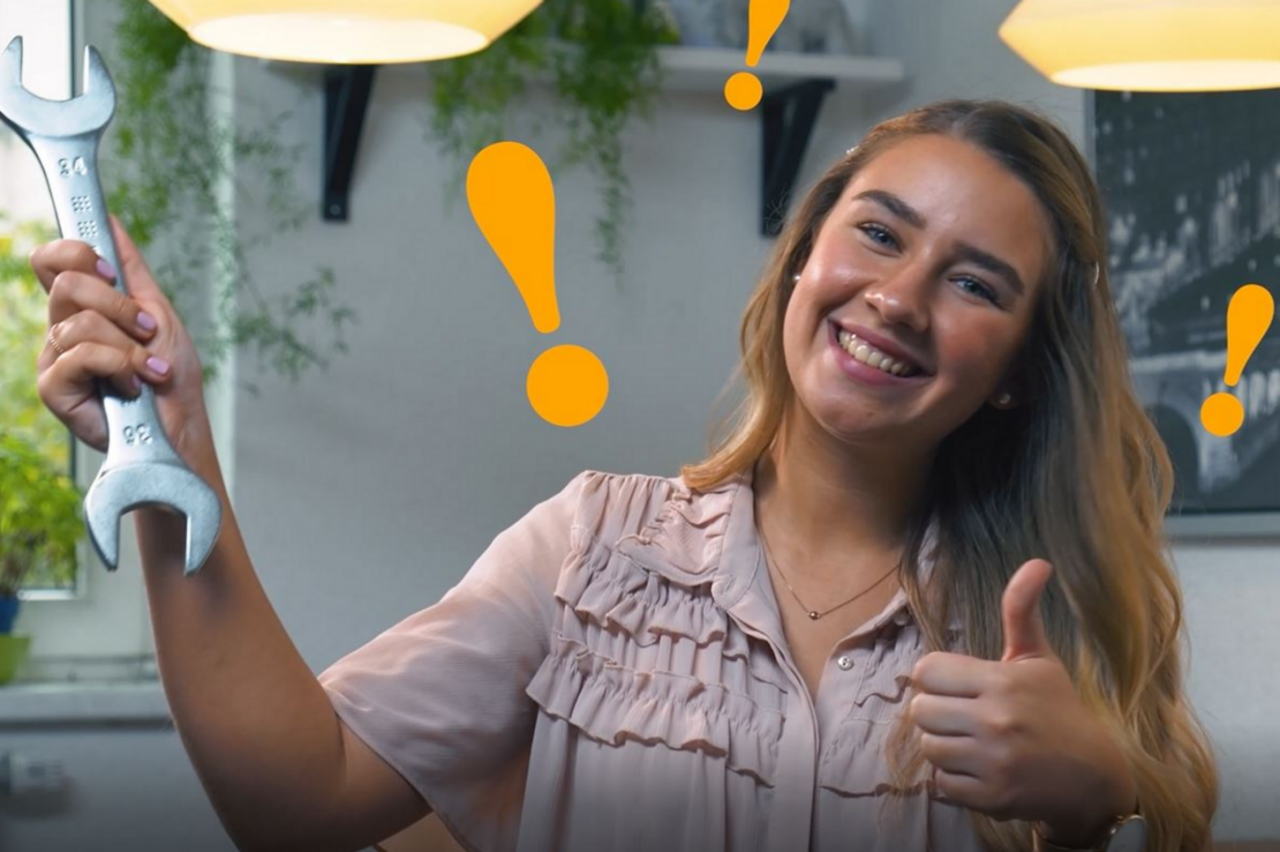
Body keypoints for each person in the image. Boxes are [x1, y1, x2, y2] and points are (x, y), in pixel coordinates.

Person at [31, 98, 1217, 852]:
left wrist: (1093, 797)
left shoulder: (1049, 630)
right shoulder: (589, 548)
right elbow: (294, 802)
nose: (897, 298)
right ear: (801, 262)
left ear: (1015, 369)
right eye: (877, 232)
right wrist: (169, 449)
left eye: (973, 284)